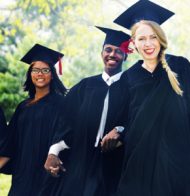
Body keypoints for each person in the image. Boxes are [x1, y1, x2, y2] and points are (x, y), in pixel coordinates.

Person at [113, 1, 190, 195]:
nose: (148, 44)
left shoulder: (180, 66)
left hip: (177, 156)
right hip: (140, 158)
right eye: (141, 39)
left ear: (161, 38)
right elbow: (124, 118)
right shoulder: (128, 77)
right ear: (133, 42)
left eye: (153, 37)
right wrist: (116, 131)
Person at [42, 27, 131, 196]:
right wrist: (54, 151)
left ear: (126, 56)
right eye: (108, 50)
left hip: (114, 164)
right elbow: (66, 120)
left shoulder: (131, 87)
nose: (112, 55)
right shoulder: (85, 86)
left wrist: (121, 130)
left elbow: (137, 120)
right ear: (101, 53)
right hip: (81, 161)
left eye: (119, 51)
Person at [0, 44, 67, 196]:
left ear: (52, 74)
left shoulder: (61, 104)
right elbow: (10, 142)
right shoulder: (23, 107)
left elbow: (66, 135)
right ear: (30, 74)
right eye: (35, 70)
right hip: (22, 175)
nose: (40, 74)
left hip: (47, 175)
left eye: (45, 70)